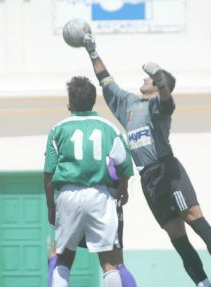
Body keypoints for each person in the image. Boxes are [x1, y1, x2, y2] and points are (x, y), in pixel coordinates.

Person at [82, 34, 211, 287]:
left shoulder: (158, 107)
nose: (144, 79)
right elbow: (105, 79)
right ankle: (204, 284)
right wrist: (92, 51)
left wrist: (160, 81)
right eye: (150, 77)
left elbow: (168, 103)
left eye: (150, 79)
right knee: (177, 238)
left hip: (167, 171)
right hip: (148, 178)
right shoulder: (128, 103)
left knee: (194, 219)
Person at [44, 76, 134, 287]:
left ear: (69, 103)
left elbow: (48, 174)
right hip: (100, 195)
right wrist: (124, 188)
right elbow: (125, 165)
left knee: (63, 258)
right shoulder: (109, 128)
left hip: (68, 195)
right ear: (94, 101)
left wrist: (51, 205)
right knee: (110, 262)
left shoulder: (58, 130)